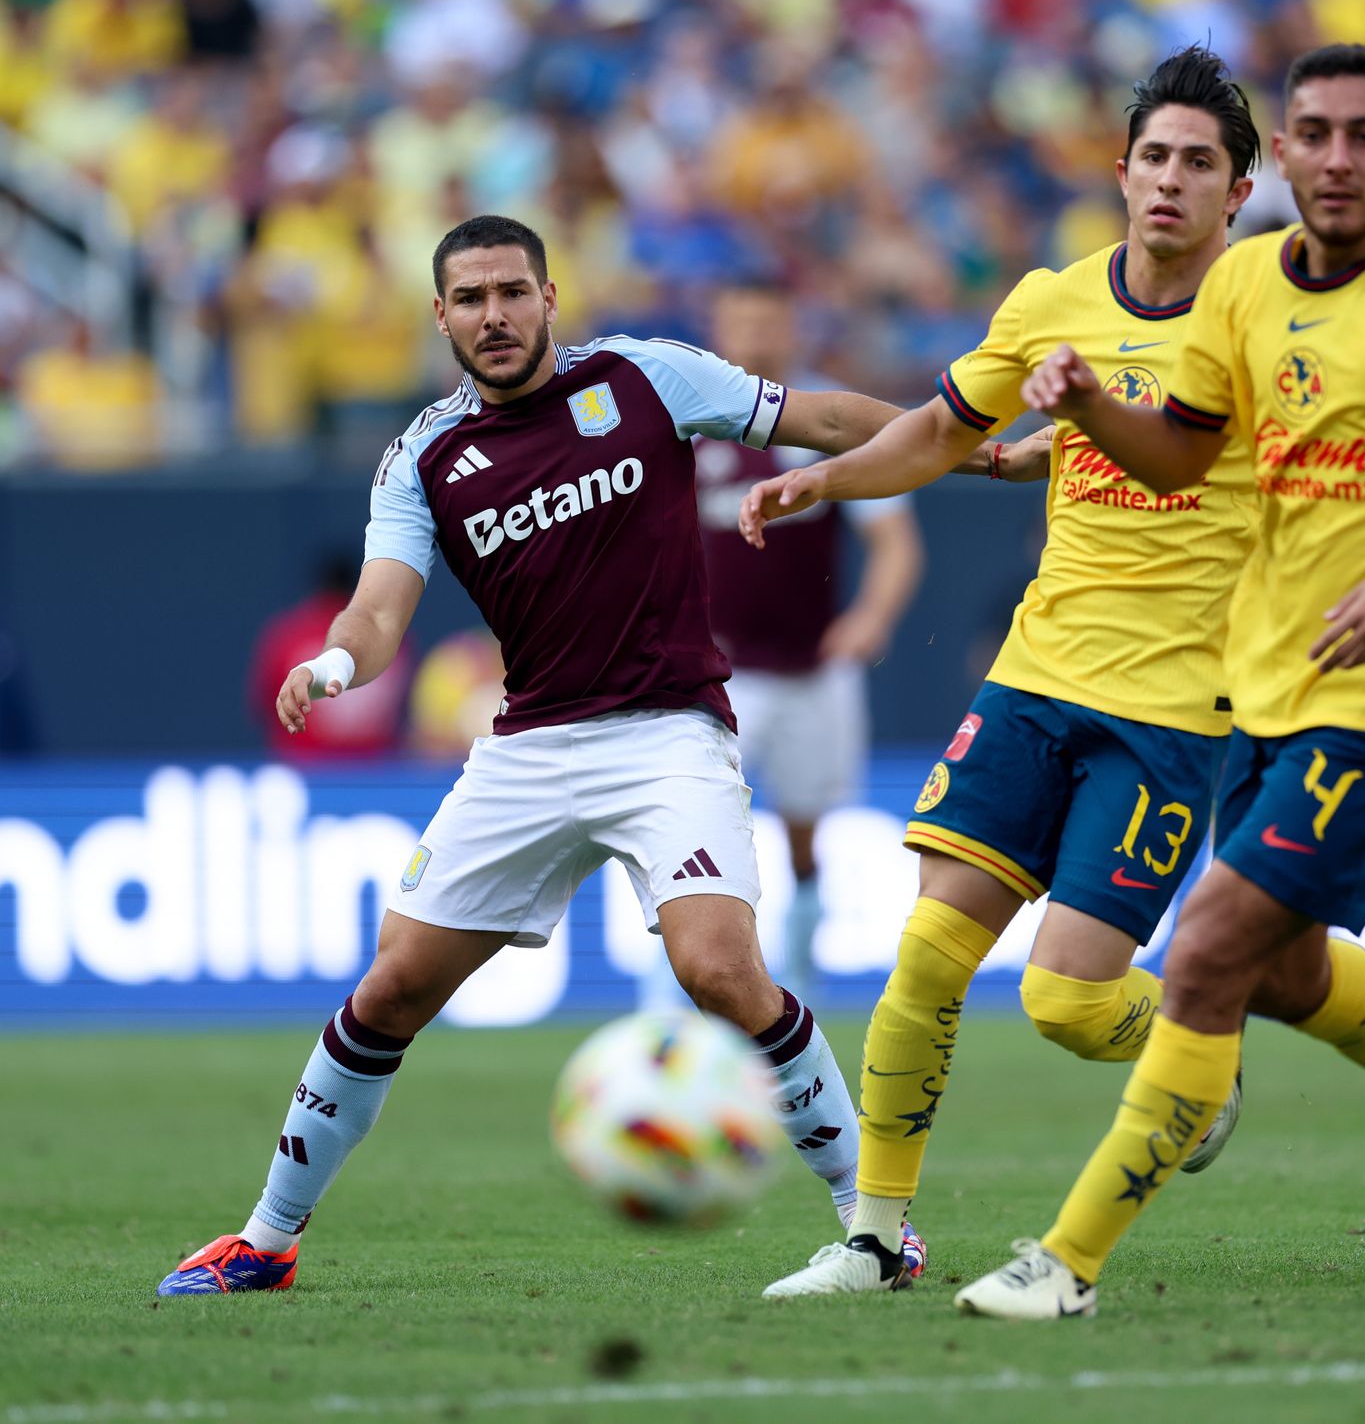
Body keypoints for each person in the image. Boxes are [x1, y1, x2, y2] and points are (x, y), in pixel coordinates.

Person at [750, 46, 1365, 1302]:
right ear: (1120, 174)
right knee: (929, 955)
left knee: (1070, 1000)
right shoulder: (1053, 299)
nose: (1171, 182)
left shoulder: (1269, 316)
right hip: (1035, 675)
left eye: (1200, 165)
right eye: (1154, 158)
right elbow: (944, 426)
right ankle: (874, 1236)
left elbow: (1213, 439)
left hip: (1185, 706)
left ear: (1242, 191)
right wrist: (826, 479)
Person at [154, 212, 1004, 1295]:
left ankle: (877, 1229)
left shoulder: (643, 377)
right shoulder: (424, 456)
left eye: (513, 292)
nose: (495, 315)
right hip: (530, 747)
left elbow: (819, 413)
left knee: (719, 969)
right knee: (389, 990)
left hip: (668, 732)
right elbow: (379, 611)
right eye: (471, 299)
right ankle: (266, 1241)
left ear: (550, 297)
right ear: (441, 315)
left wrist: (971, 449)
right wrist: (332, 665)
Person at [954, 44, 1365, 1318]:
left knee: (1198, 958)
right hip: (1264, 691)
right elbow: (1179, 461)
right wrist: (1086, 404)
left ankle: (1068, 1259)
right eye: (1315, 132)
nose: (1338, 157)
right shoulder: (1247, 284)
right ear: (1289, 155)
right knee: (1283, 973)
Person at [687, 281, 924, 1003]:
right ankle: (683, 986)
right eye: (741, 322)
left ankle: (800, 971)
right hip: (715, 675)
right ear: (719, 328)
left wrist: (871, 618)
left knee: (802, 836)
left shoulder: (823, 420)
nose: (755, 337)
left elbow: (894, 541)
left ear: (791, 326)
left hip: (812, 670)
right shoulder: (688, 423)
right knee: (696, 831)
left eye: (768, 322)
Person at [247, 554, 410, 759]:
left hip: (304, 771)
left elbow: (266, 705)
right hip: (373, 777)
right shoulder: (390, 639)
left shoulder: (288, 634)